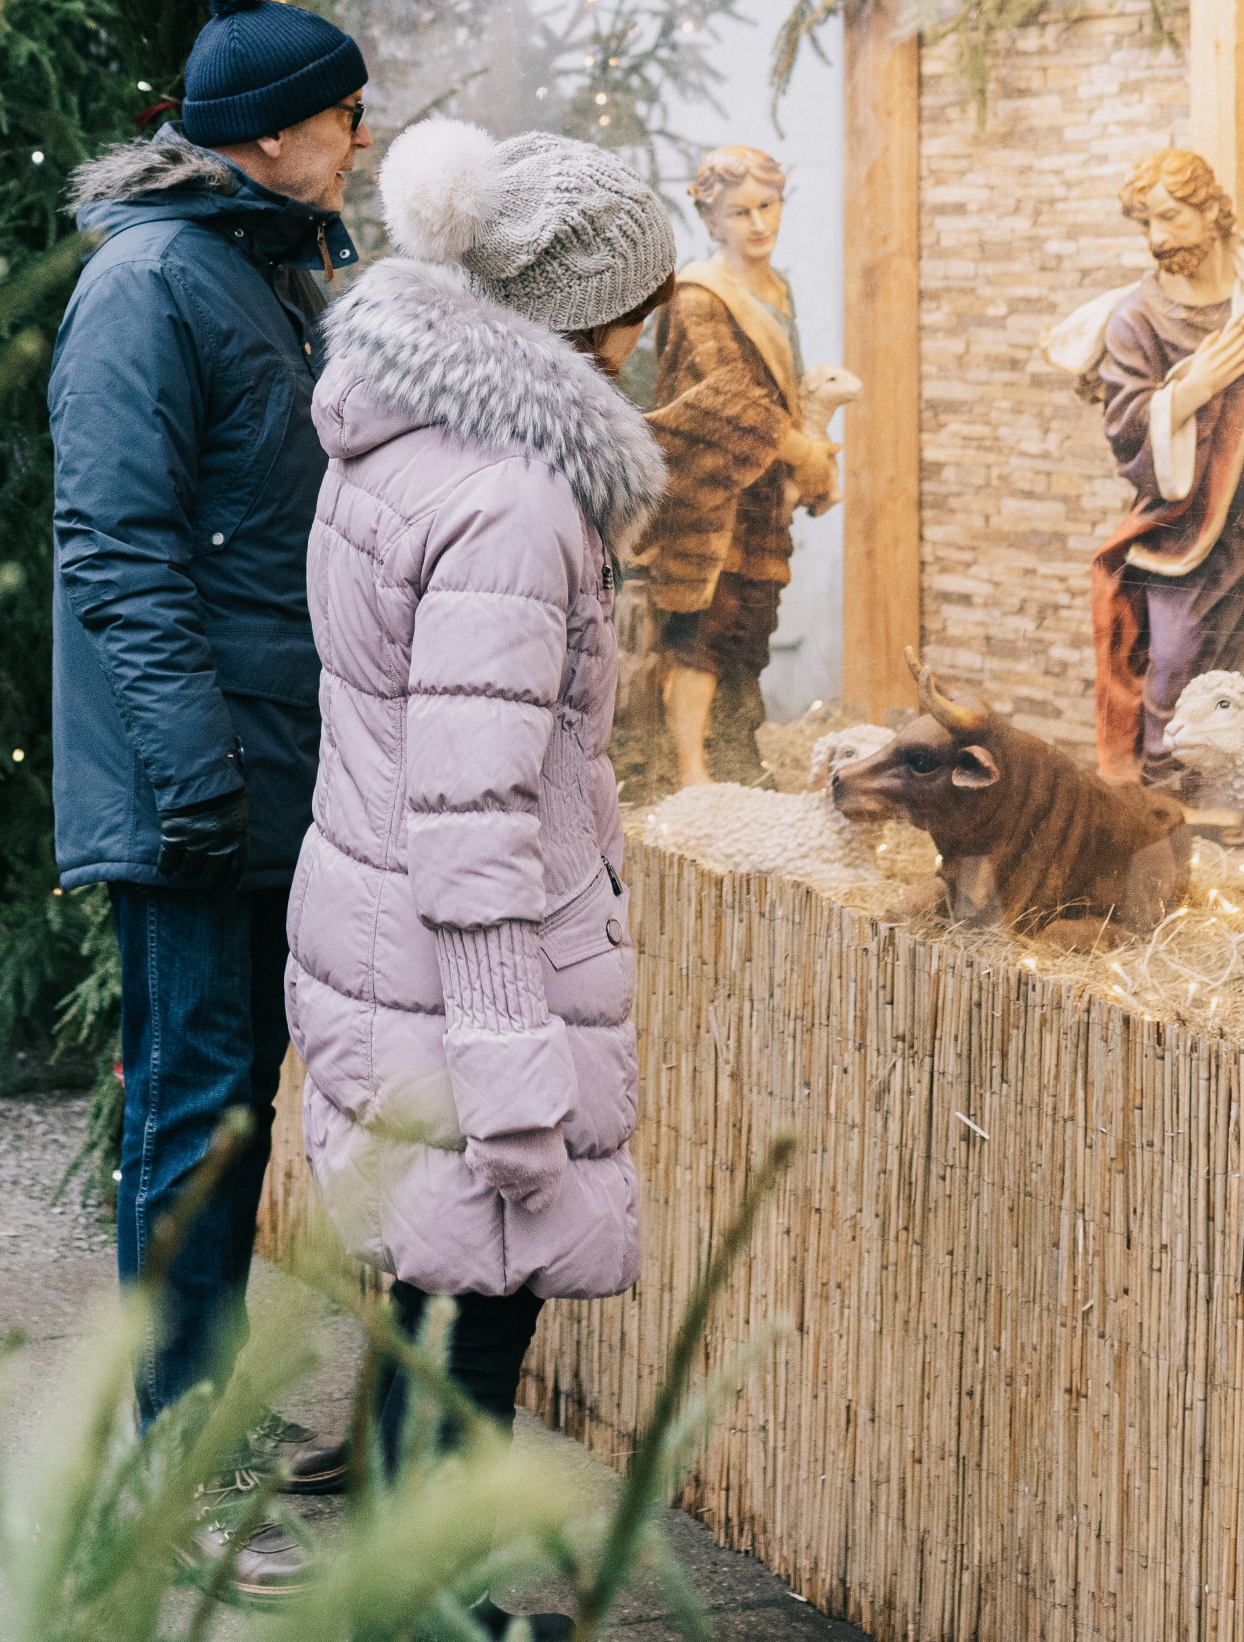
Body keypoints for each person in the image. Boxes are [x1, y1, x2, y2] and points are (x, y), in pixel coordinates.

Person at [286, 117, 670, 1606]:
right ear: (580, 321)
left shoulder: (399, 435)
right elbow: (474, 803)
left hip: (384, 936)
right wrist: (517, 1063)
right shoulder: (512, 502)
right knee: (475, 1317)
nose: (651, 340)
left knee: (431, 1294)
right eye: (640, 310)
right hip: (464, 979)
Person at [48, 0, 369, 1439]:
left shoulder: (253, 267)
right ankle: (183, 1446)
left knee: (233, 1102)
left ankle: (212, 1410)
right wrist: (195, 774)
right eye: (343, 114)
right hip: (198, 775)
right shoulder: (149, 282)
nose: (358, 136)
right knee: (190, 1108)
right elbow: (117, 545)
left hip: (258, 761)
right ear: (269, 132)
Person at [1045, 147, 1244, 784]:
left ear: (1213, 213)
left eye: (1171, 218)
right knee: (1175, 655)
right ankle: (1176, 795)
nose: (1158, 239)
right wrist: (1187, 394)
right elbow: (1125, 429)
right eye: (1145, 225)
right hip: (1185, 527)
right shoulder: (1137, 320)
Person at [638, 145, 836, 791]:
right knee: (704, 625)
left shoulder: (778, 289)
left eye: (767, 206)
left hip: (762, 493)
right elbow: (726, 395)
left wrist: (815, 454)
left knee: (750, 625)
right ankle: (690, 768)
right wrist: (801, 450)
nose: (757, 223)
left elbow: (787, 385)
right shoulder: (699, 294)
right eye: (739, 211)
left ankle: (733, 755)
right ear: (711, 218)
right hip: (710, 490)